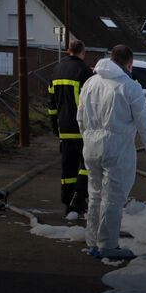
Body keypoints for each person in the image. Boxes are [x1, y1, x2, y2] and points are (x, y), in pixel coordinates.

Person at [77, 45, 146, 259]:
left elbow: (80, 116)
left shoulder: (90, 83)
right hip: (117, 147)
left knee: (95, 194)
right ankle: (108, 245)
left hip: (90, 145)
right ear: (129, 64)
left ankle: (93, 240)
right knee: (113, 197)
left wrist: (86, 137)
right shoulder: (129, 87)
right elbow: (144, 122)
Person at [47, 40, 94, 216]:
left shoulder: (57, 70)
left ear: (68, 51)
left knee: (68, 168)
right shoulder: (85, 71)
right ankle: (79, 200)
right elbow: (90, 102)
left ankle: (68, 203)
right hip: (82, 128)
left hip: (64, 127)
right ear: (83, 52)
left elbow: (51, 101)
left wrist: (54, 125)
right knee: (86, 165)